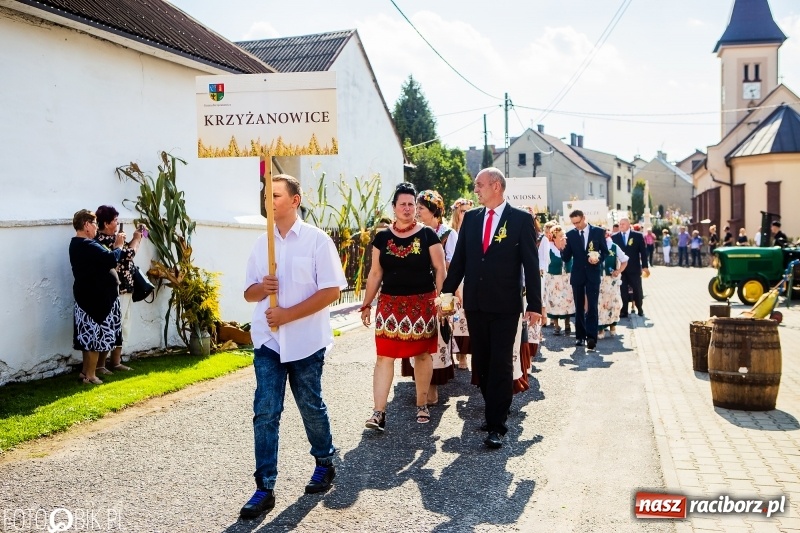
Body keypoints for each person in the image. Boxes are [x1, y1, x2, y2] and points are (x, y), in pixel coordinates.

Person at [239, 174, 347, 519]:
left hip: (305, 342)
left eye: (275, 195)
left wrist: (288, 314)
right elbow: (249, 294)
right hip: (269, 341)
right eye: (266, 195)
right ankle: (264, 487)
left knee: (310, 407)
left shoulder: (317, 241)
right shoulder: (261, 244)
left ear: (294, 200)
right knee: (265, 411)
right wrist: (262, 286)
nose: (268, 200)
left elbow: (331, 290)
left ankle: (324, 461)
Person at [441, 167, 541, 449]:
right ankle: (493, 406)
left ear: (496, 186)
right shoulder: (471, 219)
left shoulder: (520, 219)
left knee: (499, 362)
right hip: (475, 302)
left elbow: (531, 265)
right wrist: (446, 294)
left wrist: (534, 304)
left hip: (506, 305)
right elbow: (459, 261)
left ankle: (497, 423)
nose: (476, 190)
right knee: (481, 361)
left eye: (480, 185)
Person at [360, 182, 446, 430]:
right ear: (394, 207)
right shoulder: (383, 237)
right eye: (402, 204)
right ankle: (378, 412)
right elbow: (375, 273)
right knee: (384, 357)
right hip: (389, 306)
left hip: (423, 304)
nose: (407, 208)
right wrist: (367, 304)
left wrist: (442, 300)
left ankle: (422, 405)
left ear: (416, 208)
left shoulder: (428, 234)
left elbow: (440, 269)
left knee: (421, 354)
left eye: (411, 204)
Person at [407, 189, 455, 403]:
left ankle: (433, 388)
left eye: (422, 208)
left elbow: (451, 266)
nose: (417, 212)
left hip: (436, 291)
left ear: (435, 211)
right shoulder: (412, 231)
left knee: (434, 340)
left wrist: (446, 298)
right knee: (415, 340)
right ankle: (420, 386)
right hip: (414, 292)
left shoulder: (447, 234)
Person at [69, 209, 125, 385]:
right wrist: (119, 246)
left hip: (92, 297)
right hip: (93, 299)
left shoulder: (82, 244)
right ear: (86, 225)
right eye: (94, 224)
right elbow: (110, 259)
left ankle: (86, 372)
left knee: (89, 337)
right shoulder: (85, 244)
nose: (95, 228)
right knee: (93, 338)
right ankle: (91, 375)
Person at [94, 205, 144, 374]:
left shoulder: (115, 239)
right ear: (106, 223)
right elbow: (128, 254)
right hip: (116, 289)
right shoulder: (102, 241)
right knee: (113, 326)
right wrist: (137, 239)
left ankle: (116, 361)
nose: (117, 223)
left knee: (124, 325)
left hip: (126, 287)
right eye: (115, 220)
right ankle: (100, 365)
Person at [555, 209, 606, 351]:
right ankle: (579, 336)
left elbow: (605, 251)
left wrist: (598, 258)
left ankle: (591, 337)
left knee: (592, 307)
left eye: (578, 222)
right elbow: (566, 258)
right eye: (573, 223)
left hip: (593, 274)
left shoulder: (598, 232)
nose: (576, 225)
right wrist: (561, 247)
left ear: (584, 218)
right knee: (578, 307)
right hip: (577, 275)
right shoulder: (570, 235)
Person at [449, 198, 474, 369]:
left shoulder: (474, 228)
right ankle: (448, 355)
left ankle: (463, 354)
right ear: (456, 212)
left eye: (468, 210)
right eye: (463, 210)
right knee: (450, 315)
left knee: (464, 318)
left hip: (468, 277)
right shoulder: (450, 232)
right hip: (452, 276)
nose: (465, 213)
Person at [612, 217, 649, 318]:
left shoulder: (637, 236)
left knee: (637, 289)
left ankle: (639, 308)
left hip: (634, 268)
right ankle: (624, 310)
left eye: (623, 224)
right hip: (621, 269)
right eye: (620, 224)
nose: (621, 226)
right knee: (623, 290)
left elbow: (643, 252)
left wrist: (645, 266)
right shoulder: (614, 237)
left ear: (629, 225)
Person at [542, 225, 575, 336]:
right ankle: (556, 325)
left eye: (563, 235)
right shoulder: (549, 248)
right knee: (554, 301)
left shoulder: (568, 246)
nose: (562, 238)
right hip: (553, 279)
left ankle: (567, 324)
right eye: (560, 236)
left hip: (566, 279)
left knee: (567, 300)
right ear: (554, 237)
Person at [598, 229, 628, 339]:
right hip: (599, 279)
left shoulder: (614, 246)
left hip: (611, 281)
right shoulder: (595, 246)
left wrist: (618, 271)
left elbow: (624, 260)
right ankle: (600, 328)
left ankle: (612, 325)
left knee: (613, 302)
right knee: (599, 304)